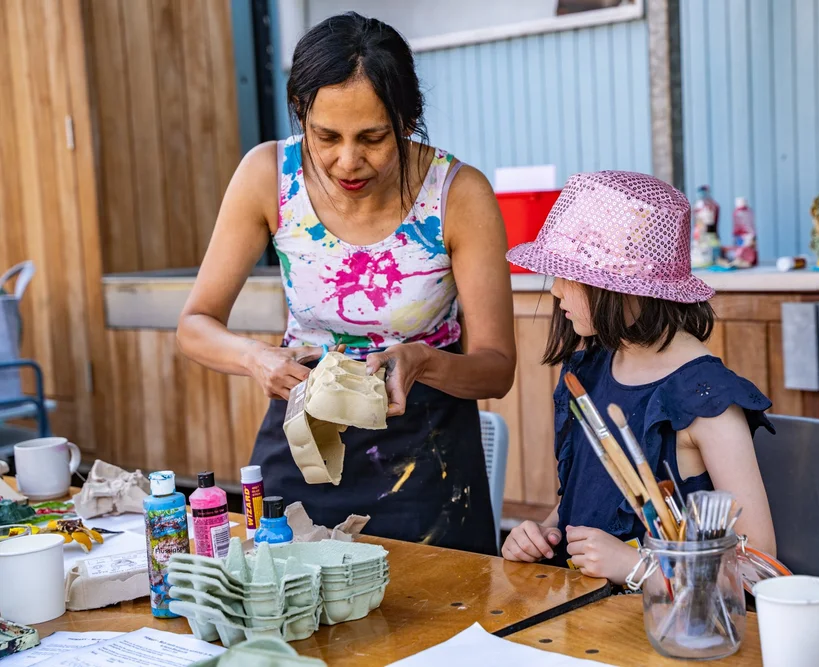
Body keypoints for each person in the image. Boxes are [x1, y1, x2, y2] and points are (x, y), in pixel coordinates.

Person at [176, 12, 515, 556]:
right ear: (301, 117)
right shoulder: (268, 175)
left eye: (373, 138)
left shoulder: (458, 194)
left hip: (425, 452)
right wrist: (255, 359)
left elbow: (497, 368)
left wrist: (423, 361)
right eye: (325, 136)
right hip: (303, 433)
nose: (347, 161)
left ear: (408, 119)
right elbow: (195, 326)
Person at [500, 171, 776, 583]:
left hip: (660, 629)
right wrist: (542, 533)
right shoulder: (588, 369)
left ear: (624, 287)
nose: (556, 292)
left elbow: (760, 566)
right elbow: (588, 504)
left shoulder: (706, 401)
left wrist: (637, 567)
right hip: (579, 615)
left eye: (569, 276)